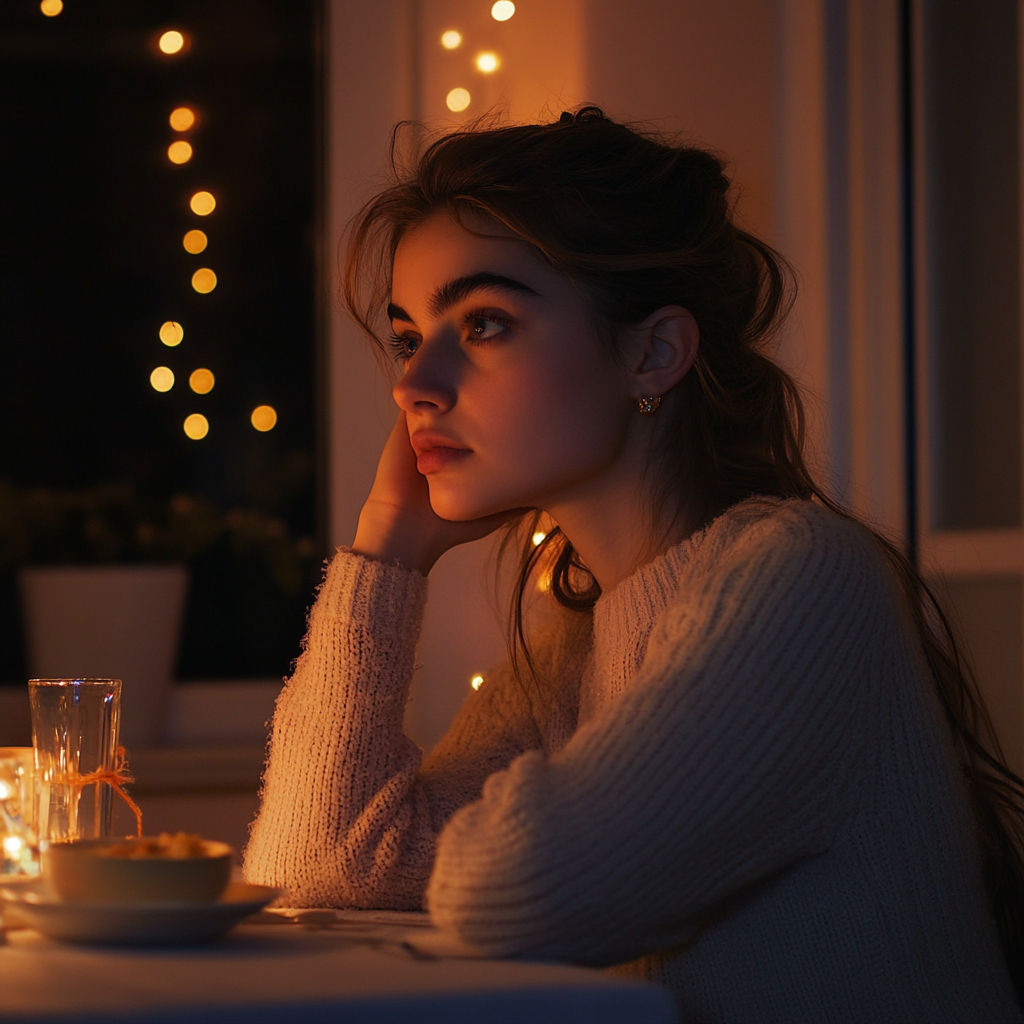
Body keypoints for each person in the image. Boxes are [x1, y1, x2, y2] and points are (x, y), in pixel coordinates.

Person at [245, 107, 1024, 1021]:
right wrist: (387, 548)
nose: (412, 383)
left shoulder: (805, 577)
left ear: (654, 353)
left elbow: (521, 891)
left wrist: (479, 845)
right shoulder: (572, 649)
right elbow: (312, 869)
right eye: (412, 335)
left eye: (485, 322)